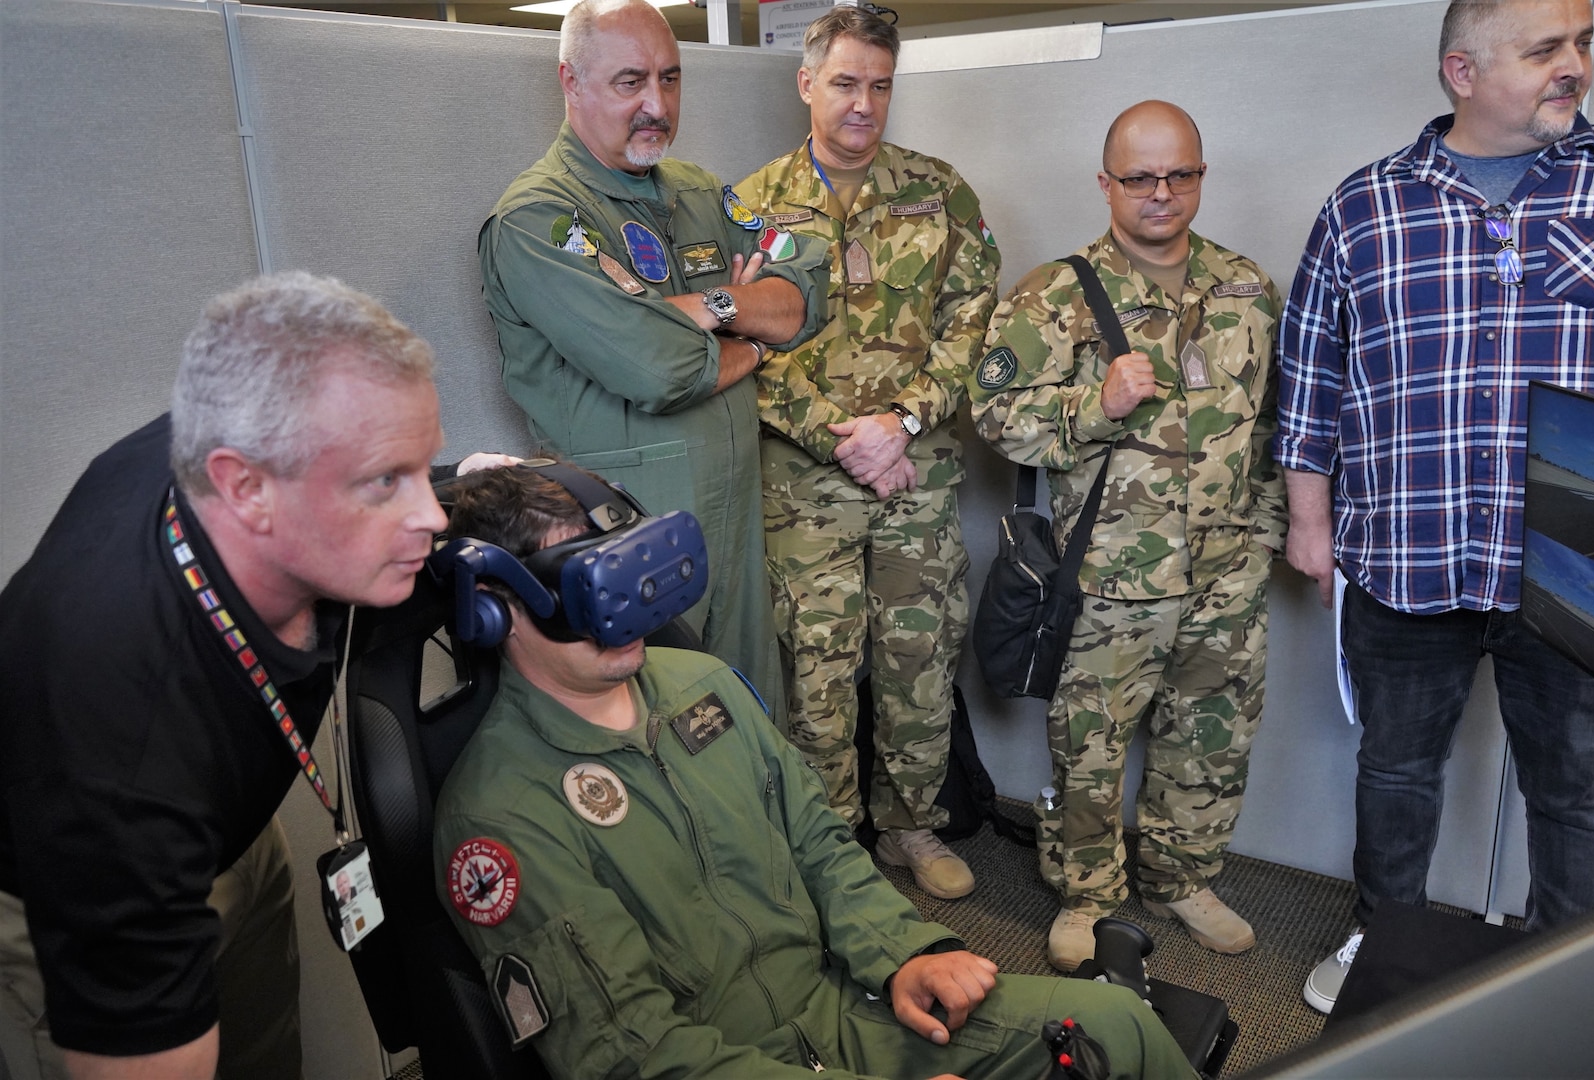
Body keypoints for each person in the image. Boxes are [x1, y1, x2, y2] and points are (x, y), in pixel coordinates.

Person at [431, 464, 1195, 1080]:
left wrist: (904, 955)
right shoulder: (500, 813)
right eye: (585, 589)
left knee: (1114, 1024)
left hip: (842, 1004)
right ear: (497, 606)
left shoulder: (707, 689)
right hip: (717, 1060)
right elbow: (631, 1054)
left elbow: (823, 847)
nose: (624, 614)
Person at [0, 272, 515, 1079]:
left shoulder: (239, 449)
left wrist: (459, 474)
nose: (434, 515)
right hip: (79, 887)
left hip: (226, 823)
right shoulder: (124, 740)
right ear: (245, 487)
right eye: (389, 481)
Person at [1277, 0, 1594, 1015]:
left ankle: (1573, 991)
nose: (1575, 67)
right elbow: (1311, 370)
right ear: (1461, 72)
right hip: (1405, 550)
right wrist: (1308, 519)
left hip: (1574, 567)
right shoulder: (1364, 206)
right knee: (1396, 773)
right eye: (1545, 49)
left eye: (1583, 44)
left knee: (1580, 794)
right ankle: (1383, 948)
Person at [970, 102, 1287, 972]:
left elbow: (1273, 428)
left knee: (1211, 732)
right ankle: (1089, 894)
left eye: (1179, 174)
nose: (1161, 194)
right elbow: (995, 417)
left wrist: (1262, 534)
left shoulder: (1247, 289)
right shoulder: (1053, 295)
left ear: (1200, 176)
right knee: (1092, 742)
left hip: (1225, 569)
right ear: (1105, 183)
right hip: (1110, 574)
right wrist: (1093, 406)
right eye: (1140, 177)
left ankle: (1184, 875)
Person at [478, 0, 829, 719]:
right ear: (570, 82)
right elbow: (660, 369)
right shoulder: (540, 221)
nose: (657, 105)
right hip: (632, 533)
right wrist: (757, 337)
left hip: (736, 514)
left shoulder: (700, 193)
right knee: (667, 731)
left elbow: (812, 286)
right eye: (630, 81)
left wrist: (720, 311)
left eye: (670, 79)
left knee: (754, 718)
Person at [730, 7, 1001, 900]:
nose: (863, 105)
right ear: (806, 82)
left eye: (880, 86)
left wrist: (903, 423)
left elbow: (974, 326)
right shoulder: (747, 207)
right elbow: (740, 351)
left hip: (913, 477)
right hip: (804, 490)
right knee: (818, 670)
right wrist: (839, 439)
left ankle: (910, 828)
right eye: (846, 83)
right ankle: (831, 843)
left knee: (919, 663)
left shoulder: (941, 192)